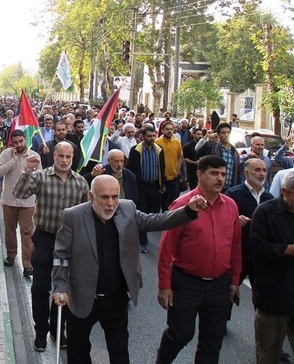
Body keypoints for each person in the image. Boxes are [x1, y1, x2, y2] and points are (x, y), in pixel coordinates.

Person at [52, 175, 206, 363]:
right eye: (104, 197)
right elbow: (61, 255)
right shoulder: (73, 216)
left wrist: (188, 211)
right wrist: (60, 286)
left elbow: (157, 220)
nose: (111, 203)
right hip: (82, 298)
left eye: (115, 197)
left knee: (119, 353)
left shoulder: (128, 209)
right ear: (91, 196)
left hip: (115, 300)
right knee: (78, 352)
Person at [156, 155, 242, 364]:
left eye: (223, 174)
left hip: (219, 285)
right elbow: (166, 249)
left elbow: (235, 246)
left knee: (212, 341)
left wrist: (235, 280)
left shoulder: (231, 206)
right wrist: (164, 285)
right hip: (186, 283)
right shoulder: (183, 205)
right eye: (214, 173)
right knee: (180, 334)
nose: (220, 179)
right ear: (199, 175)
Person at [12, 141, 90, 352]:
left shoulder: (81, 183)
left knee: (63, 289)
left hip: (69, 245)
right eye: (61, 156)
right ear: (54, 156)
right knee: (40, 288)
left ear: (73, 158)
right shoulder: (40, 176)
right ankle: (40, 331)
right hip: (45, 240)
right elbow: (18, 193)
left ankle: (57, 329)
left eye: (68, 157)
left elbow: (87, 217)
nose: (64, 160)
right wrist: (28, 171)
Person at [250, 170, 294, 363]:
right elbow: (257, 247)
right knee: (268, 354)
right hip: (274, 300)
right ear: (284, 191)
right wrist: (288, 250)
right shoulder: (265, 212)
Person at [0, 129, 38, 277]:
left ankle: (27, 264)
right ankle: (11, 255)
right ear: (11, 143)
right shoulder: (6, 154)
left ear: (25, 140)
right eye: (15, 143)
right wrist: (13, 160)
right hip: (9, 201)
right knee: (10, 230)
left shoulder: (34, 156)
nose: (18, 145)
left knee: (27, 233)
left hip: (28, 202)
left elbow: (40, 179)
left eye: (21, 141)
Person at [225, 158, 274, 288]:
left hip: (260, 255)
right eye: (257, 170)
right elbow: (222, 222)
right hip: (239, 254)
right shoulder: (233, 194)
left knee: (262, 295)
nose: (262, 174)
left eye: (264, 170)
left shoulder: (268, 198)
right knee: (227, 292)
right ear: (246, 173)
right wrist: (235, 220)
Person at [127, 126, 165, 253]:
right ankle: (142, 241)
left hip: (154, 186)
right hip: (141, 186)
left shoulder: (159, 150)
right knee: (142, 212)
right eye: (149, 136)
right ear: (143, 137)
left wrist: (162, 184)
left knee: (152, 211)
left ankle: (144, 234)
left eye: (154, 136)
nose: (152, 138)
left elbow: (162, 168)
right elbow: (131, 169)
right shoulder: (136, 150)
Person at [197, 123, 240, 191]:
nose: (226, 135)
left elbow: (237, 172)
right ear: (218, 135)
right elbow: (199, 151)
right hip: (213, 186)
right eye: (223, 133)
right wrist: (208, 140)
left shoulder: (234, 152)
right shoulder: (213, 147)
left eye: (228, 132)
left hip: (229, 188)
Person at [156, 121, 184, 211]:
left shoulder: (176, 142)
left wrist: (178, 169)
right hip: (160, 177)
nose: (169, 131)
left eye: (171, 129)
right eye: (167, 129)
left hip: (173, 176)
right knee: (161, 201)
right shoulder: (157, 142)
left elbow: (180, 157)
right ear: (163, 130)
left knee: (172, 200)